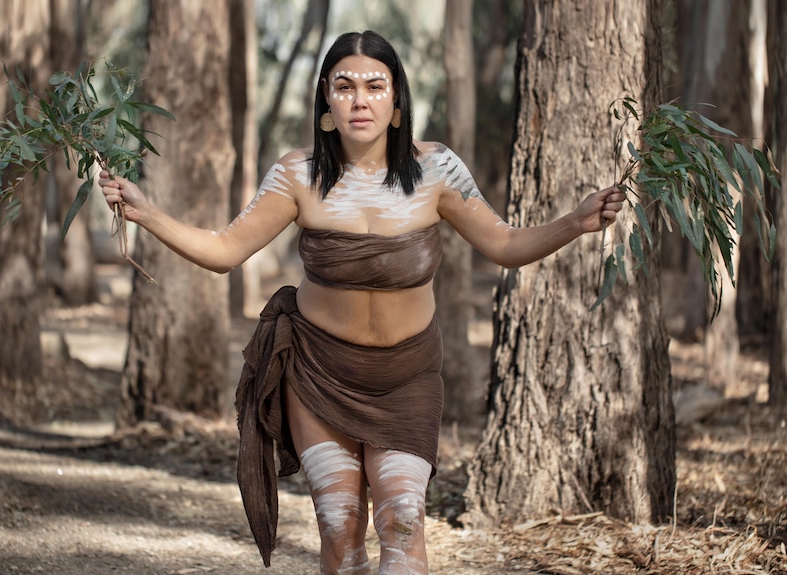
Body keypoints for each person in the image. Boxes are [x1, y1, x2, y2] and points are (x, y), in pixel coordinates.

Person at [100, 29, 625, 575]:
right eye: (344, 85)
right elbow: (225, 250)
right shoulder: (298, 174)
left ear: (397, 99)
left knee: (403, 520)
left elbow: (506, 244)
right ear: (326, 98)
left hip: (407, 377)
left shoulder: (437, 170)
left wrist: (576, 223)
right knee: (339, 523)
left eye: (376, 86)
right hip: (319, 375)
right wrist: (146, 213)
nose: (360, 99)